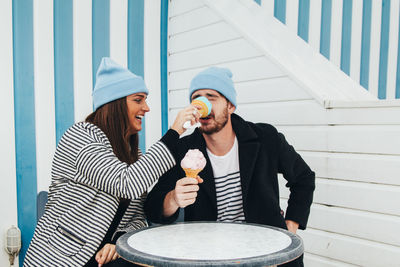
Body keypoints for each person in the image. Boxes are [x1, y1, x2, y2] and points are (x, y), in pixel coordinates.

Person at [23, 57, 200, 267]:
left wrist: (118, 242)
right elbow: (126, 183)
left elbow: (138, 216)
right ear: (114, 104)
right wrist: (174, 131)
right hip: (62, 259)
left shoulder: (133, 154)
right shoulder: (80, 136)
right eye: (138, 99)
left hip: (104, 259)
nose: (146, 108)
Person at [144, 67, 315, 267]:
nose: (202, 104)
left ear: (230, 106)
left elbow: (303, 178)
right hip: (210, 255)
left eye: (211, 97)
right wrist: (173, 198)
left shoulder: (265, 137)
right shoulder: (183, 150)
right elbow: (153, 206)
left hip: (266, 252)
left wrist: (290, 227)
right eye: (197, 97)